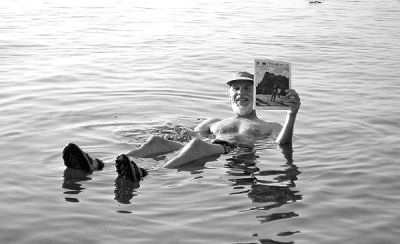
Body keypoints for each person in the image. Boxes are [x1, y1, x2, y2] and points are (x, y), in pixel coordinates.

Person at [62, 71, 301, 182]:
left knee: (196, 146)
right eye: (236, 89)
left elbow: (283, 144)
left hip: (234, 152)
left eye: (247, 88)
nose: (241, 93)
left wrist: (292, 113)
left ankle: (146, 174)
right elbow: (188, 138)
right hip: (207, 145)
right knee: (156, 141)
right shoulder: (214, 122)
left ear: (258, 95)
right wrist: (173, 143)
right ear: (229, 95)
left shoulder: (267, 125)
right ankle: (98, 163)